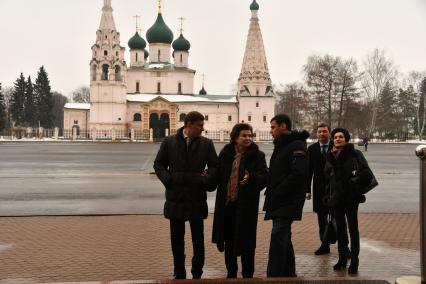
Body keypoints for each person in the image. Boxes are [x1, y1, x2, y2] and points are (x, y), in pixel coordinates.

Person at [153, 111, 218, 279]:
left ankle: (197, 271)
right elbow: (159, 164)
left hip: (196, 196)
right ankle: (179, 270)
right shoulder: (169, 142)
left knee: (198, 239)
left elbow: (214, 168)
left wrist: (205, 182)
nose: (202, 129)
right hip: (176, 197)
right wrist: (168, 180)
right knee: (177, 239)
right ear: (188, 124)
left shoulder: (206, 144)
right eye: (199, 125)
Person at [212, 123, 267, 279]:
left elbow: (264, 176)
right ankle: (231, 273)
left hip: (247, 206)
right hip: (228, 205)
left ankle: (248, 275)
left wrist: (251, 178)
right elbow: (217, 176)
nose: (248, 138)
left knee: (247, 243)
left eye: (250, 135)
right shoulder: (225, 154)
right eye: (244, 135)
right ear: (235, 138)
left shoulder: (258, 156)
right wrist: (206, 176)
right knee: (229, 241)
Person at [263, 114, 309, 277]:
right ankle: (289, 273)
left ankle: (274, 276)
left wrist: (278, 190)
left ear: (283, 126)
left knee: (278, 236)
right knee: (284, 237)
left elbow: (299, 173)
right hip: (279, 199)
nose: (271, 131)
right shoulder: (283, 145)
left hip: (287, 200)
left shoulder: (296, 145)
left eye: (273, 127)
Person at [324, 128, 373, 274]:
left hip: (351, 197)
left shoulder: (354, 154)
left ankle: (354, 260)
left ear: (346, 139)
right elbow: (327, 177)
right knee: (340, 230)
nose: (337, 139)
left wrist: (352, 182)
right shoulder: (330, 156)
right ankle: (342, 259)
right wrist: (327, 196)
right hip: (336, 199)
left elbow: (366, 173)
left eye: (341, 137)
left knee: (352, 228)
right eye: (335, 137)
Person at [306, 124, 349, 256]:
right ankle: (324, 245)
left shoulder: (336, 147)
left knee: (339, 218)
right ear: (316, 134)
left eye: (324, 131)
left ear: (329, 133)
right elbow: (309, 171)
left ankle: (345, 247)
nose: (321, 134)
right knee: (321, 219)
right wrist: (307, 190)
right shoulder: (312, 149)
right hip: (319, 189)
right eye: (319, 132)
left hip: (334, 189)